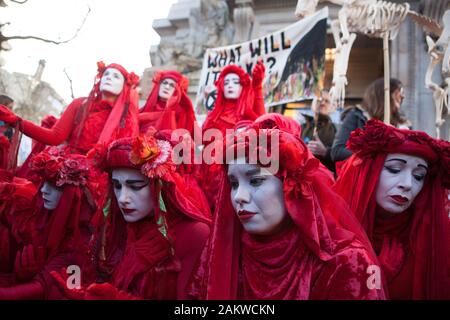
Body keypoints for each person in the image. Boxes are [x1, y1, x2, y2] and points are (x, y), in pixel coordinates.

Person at [188, 122, 386, 300]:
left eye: (256, 180)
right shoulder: (225, 252)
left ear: (290, 185)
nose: (239, 195)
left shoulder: (346, 262)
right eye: (233, 183)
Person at [52, 131, 211, 300]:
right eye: (117, 186)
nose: (122, 199)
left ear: (160, 186)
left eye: (135, 186)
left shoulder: (194, 234)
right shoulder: (117, 228)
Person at [333, 119, 450, 299]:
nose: (407, 184)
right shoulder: (332, 234)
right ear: (369, 171)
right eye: (394, 169)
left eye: (419, 176)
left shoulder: (428, 238)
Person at [0, 147, 99, 299]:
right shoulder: (42, 222)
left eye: (54, 185)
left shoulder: (81, 241)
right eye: (44, 183)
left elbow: (43, 286)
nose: (44, 190)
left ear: (72, 194)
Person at [0, 62, 140, 156]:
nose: (109, 77)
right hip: (66, 168)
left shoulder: (126, 117)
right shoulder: (80, 104)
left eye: (116, 76)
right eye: (106, 74)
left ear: (124, 86)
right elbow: (54, 137)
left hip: (101, 182)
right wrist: (16, 121)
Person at [331, 78, 407, 165]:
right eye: (399, 91)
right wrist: (372, 155)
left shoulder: (403, 124)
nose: (402, 96)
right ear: (384, 94)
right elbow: (337, 151)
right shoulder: (357, 116)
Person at [201, 62, 266, 138]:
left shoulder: (247, 114)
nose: (230, 86)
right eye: (226, 83)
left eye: (235, 82)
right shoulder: (213, 117)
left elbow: (264, 125)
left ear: (243, 86)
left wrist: (257, 86)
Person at [139, 70, 197, 138]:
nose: (167, 87)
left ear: (177, 90)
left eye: (172, 85)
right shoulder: (146, 108)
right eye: (165, 83)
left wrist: (170, 110)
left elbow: (177, 140)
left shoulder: (180, 113)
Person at [301, 90, 337, 173]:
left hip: (324, 179)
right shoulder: (300, 128)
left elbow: (342, 158)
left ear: (333, 107)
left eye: (327, 101)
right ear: (312, 104)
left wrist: (325, 152)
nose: (322, 103)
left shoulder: (338, 131)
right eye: (319, 100)